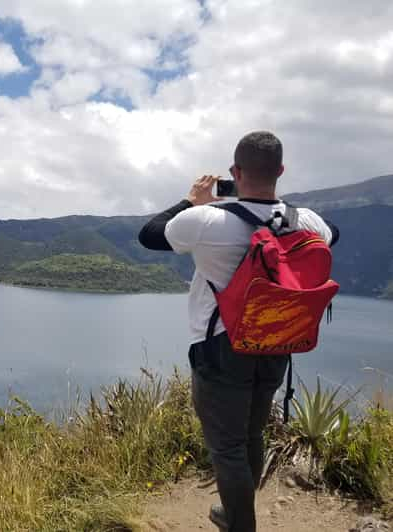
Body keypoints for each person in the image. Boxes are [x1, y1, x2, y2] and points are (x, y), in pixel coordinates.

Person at [138, 131, 339, 532]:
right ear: (280, 171)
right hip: (277, 341)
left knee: (226, 446)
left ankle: (240, 525)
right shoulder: (307, 221)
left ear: (235, 172)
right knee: (250, 432)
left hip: (221, 346)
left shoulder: (207, 221)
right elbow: (334, 231)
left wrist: (192, 201)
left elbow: (150, 233)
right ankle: (234, 513)